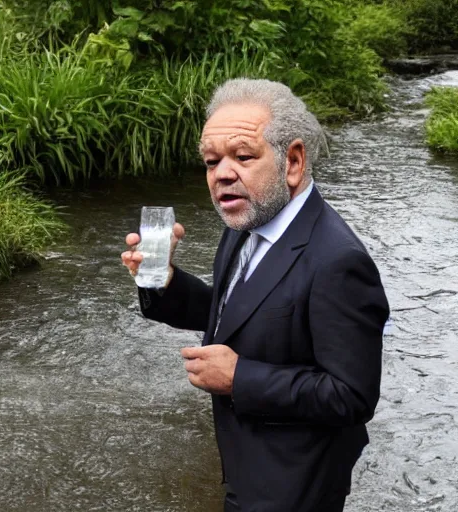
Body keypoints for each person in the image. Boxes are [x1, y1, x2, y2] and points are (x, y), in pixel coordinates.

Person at [120, 78, 389, 512]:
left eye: (243, 157)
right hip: (246, 461)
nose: (223, 174)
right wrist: (163, 280)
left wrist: (239, 377)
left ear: (293, 161)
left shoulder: (338, 261)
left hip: (297, 482)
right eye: (212, 161)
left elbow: (352, 396)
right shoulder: (247, 222)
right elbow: (234, 312)